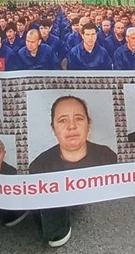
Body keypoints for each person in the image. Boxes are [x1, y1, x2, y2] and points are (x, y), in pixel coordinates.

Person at [25, 96, 118, 245]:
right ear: (53, 128)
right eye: (63, 120)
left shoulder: (107, 157)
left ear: (88, 124)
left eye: (79, 118)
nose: (72, 126)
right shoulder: (40, 166)